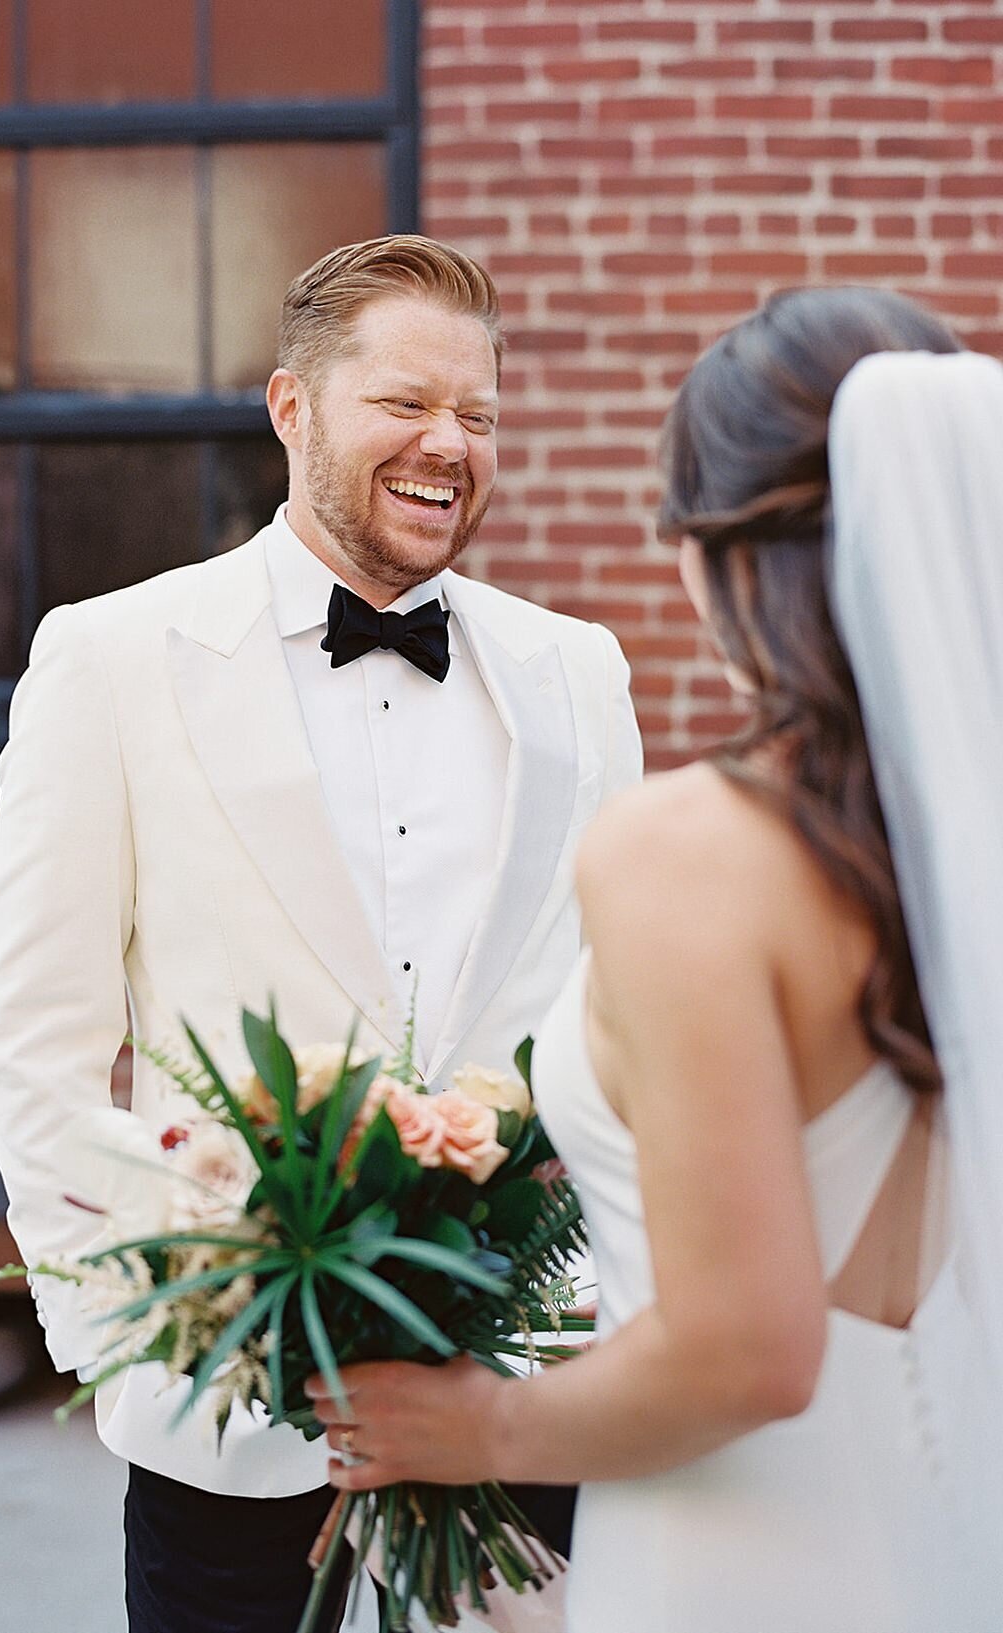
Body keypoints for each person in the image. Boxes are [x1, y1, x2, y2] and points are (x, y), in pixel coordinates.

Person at [0, 234, 643, 1633]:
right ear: (292, 407)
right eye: (403, 403)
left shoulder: (581, 674)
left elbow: (612, 1026)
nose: (448, 443)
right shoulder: (107, 660)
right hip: (226, 1410)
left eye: (479, 414)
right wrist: (128, 1347)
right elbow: (37, 1056)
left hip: (519, 1403)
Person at [309, 287, 1003, 1632]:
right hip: (957, 1535)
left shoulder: (687, 852)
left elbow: (747, 1350)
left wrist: (468, 1427)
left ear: (721, 549)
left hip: (743, 1565)